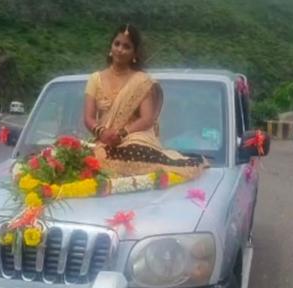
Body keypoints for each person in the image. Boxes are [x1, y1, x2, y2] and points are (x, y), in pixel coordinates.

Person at [83, 24, 206, 179]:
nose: (120, 49)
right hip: (104, 138)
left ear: (135, 53)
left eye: (126, 46)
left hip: (133, 135)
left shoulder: (142, 81)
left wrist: (121, 133)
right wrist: (102, 133)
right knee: (87, 155)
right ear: (111, 46)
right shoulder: (95, 79)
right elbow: (88, 118)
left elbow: (146, 119)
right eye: (117, 44)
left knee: (133, 150)